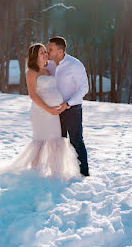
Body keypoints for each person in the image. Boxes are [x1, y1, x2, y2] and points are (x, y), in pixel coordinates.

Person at [7, 43, 81, 181]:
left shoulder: (48, 71)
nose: (45, 54)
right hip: (41, 113)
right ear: (35, 56)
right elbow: (33, 95)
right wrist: (48, 109)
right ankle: (35, 172)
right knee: (40, 141)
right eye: (42, 52)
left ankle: (55, 172)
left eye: (45, 51)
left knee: (55, 140)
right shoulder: (31, 72)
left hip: (54, 114)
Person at [47, 36, 90, 176]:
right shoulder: (51, 64)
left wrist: (68, 104)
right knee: (58, 141)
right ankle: (59, 171)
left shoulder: (75, 65)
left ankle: (83, 173)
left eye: (50, 49)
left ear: (60, 51)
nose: (47, 51)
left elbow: (84, 88)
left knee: (76, 141)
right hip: (56, 110)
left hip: (72, 109)